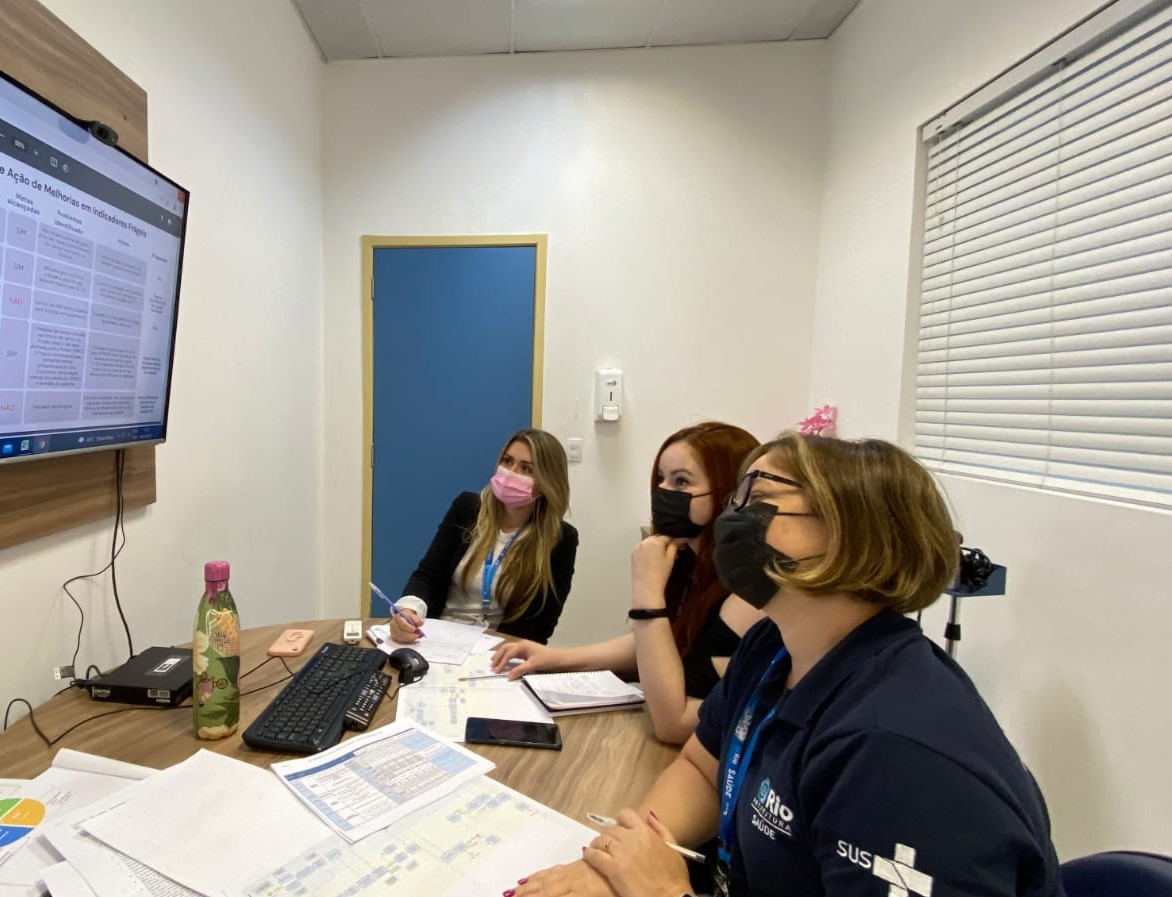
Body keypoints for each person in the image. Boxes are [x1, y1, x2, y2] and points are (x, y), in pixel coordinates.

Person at [511, 435, 1064, 897]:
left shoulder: (895, 751)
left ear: (851, 533)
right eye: (734, 499)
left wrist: (665, 893)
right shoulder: (771, 647)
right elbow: (705, 767)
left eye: (758, 497)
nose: (733, 518)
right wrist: (622, 860)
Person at [491, 421, 763, 745]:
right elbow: (660, 643)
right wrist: (555, 659)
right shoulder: (688, 562)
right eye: (661, 479)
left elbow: (673, 723)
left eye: (681, 481)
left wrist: (646, 592)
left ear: (729, 494)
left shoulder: (749, 594)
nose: (663, 492)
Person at [390, 428, 576, 645]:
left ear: (547, 482)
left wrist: (488, 651)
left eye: (526, 469)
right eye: (507, 461)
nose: (511, 472)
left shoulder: (561, 538)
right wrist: (409, 609)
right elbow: (428, 575)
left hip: (500, 652)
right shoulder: (467, 508)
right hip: (437, 640)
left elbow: (540, 624)